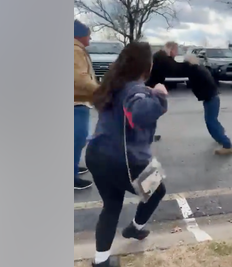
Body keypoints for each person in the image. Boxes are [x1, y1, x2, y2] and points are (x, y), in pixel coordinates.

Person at [85, 42, 168, 267]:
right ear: (146, 66)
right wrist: (159, 96)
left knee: (111, 205)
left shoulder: (112, 85)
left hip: (96, 155)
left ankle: (101, 261)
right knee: (157, 189)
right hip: (123, 159)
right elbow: (139, 114)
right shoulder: (136, 89)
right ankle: (135, 227)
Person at [184, 54, 232, 155]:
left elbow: (201, 84)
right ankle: (220, 135)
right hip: (211, 97)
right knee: (212, 121)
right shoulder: (200, 68)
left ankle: (227, 145)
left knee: (211, 122)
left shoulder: (195, 71)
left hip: (211, 98)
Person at [74, 19, 99, 189]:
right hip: (76, 102)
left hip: (79, 101)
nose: (89, 40)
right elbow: (80, 78)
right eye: (88, 36)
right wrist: (100, 91)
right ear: (80, 36)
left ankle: (73, 168)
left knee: (77, 139)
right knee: (76, 139)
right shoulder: (75, 51)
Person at [146, 41, 186, 142]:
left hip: (151, 86)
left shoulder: (160, 56)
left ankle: (149, 134)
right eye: (176, 50)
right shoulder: (162, 57)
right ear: (171, 49)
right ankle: (148, 135)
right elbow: (174, 69)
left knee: (151, 112)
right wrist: (190, 66)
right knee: (151, 112)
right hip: (151, 87)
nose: (176, 53)